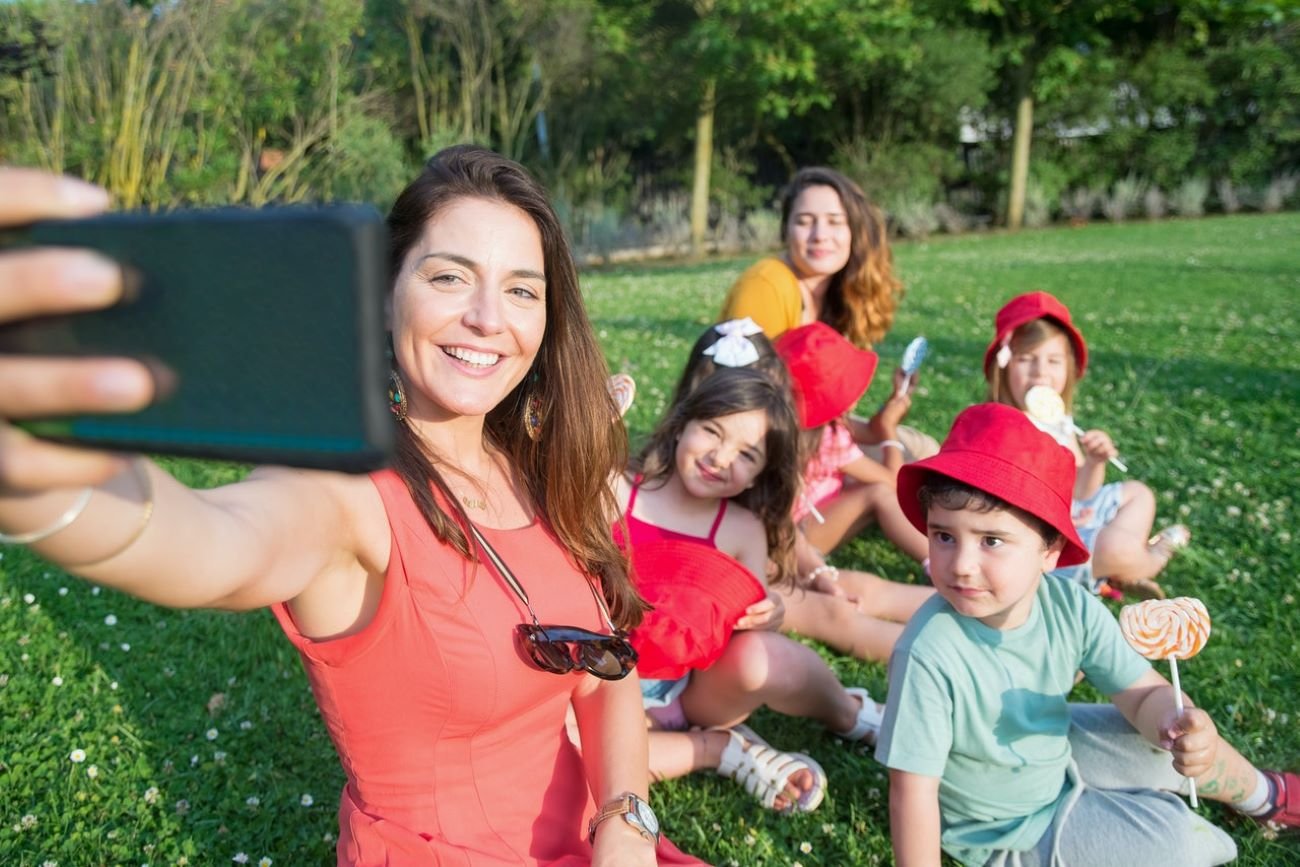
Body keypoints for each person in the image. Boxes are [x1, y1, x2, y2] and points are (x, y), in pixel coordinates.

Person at [0, 154, 705, 866]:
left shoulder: (536, 464)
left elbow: (605, 667)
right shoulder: (346, 489)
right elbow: (209, 543)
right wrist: (53, 486)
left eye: (522, 289)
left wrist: (626, 818)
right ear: (385, 295)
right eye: (449, 277)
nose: (488, 318)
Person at [875, 403, 1298, 867]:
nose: (961, 564)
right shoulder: (928, 652)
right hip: (1007, 829)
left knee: (1173, 737)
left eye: (991, 540)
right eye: (944, 536)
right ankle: (1147, 812)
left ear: (1050, 550)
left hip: (1056, 746)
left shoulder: (1070, 606)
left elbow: (1142, 694)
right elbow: (912, 791)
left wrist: (1175, 721)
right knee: (1182, 841)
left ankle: (1261, 795)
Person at [614, 367, 884, 814]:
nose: (720, 457)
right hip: (596, 684)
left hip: (686, 690)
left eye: (746, 454)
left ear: (760, 475)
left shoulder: (741, 529)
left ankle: (847, 711)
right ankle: (719, 750)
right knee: (556, 746)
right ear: (681, 424)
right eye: (712, 431)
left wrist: (768, 613)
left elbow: (743, 621)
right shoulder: (616, 488)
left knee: (764, 653)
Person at [671, 320, 933, 662]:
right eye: (712, 428)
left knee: (855, 591)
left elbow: (779, 525)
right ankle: (950, 660)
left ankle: (970, 600)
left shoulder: (758, 468)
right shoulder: (649, 485)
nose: (721, 457)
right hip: (731, 590)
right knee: (836, 613)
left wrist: (818, 573)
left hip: (766, 570)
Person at [718, 165, 935, 463]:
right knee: (908, 472)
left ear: (855, 231)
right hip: (759, 452)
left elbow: (828, 421)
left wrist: (885, 417)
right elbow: (746, 409)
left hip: (809, 437)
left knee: (924, 449)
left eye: (835, 222)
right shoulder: (767, 284)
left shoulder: (840, 296)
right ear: (786, 230)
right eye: (804, 221)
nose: (820, 235)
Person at [985, 290, 1187, 600]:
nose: (1041, 372)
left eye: (1053, 361)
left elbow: (1082, 491)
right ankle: (1147, 561)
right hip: (1045, 531)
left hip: (1077, 511)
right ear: (1004, 366)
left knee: (1138, 494)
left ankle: (1115, 564)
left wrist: (1093, 463)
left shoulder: (1060, 421)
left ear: (1068, 368)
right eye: (1026, 359)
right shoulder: (1001, 427)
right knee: (1114, 548)